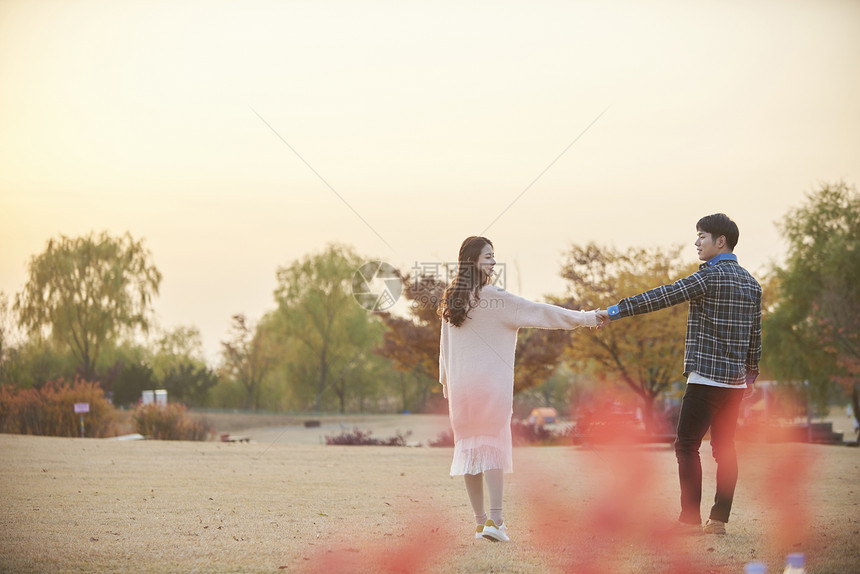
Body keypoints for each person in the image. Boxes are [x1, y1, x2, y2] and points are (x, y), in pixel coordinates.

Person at [596, 213, 762, 536]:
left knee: (686, 445)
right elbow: (756, 336)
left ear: (721, 241)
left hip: (704, 382)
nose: (696, 242)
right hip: (735, 385)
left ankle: (689, 520)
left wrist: (615, 311)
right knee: (725, 448)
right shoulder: (752, 285)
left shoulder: (708, 277)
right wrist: (751, 377)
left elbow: (663, 296)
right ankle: (718, 521)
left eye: (702, 236)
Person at [438, 236, 600, 542]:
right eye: (488, 256)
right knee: (492, 450)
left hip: (462, 394)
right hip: (490, 391)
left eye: (493, 256)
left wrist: (447, 383)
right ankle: (496, 523)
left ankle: (479, 523)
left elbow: (444, 349)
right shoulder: (496, 298)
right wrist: (587, 318)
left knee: (469, 451)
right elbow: (542, 312)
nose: (493, 261)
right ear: (473, 260)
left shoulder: (452, 299)